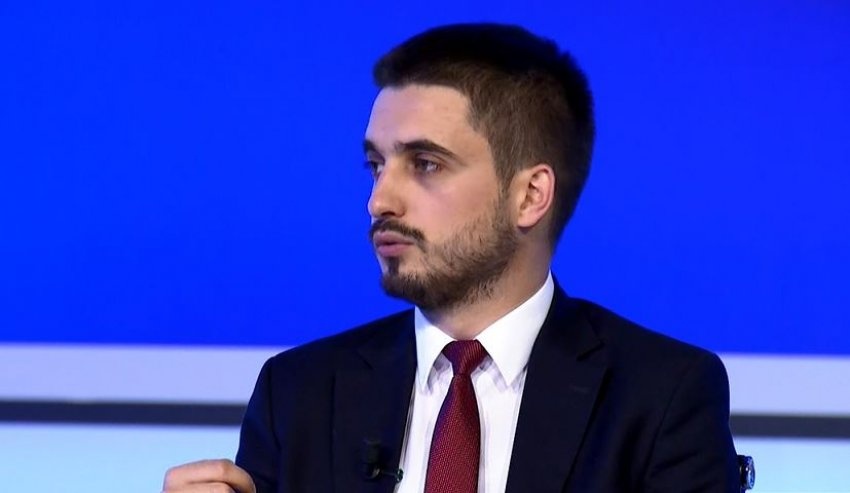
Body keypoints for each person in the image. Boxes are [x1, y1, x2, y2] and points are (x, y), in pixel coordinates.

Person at [162, 23, 740, 493]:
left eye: (426, 164)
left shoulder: (659, 396)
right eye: (376, 165)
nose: (379, 201)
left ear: (530, 195)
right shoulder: (300, 393)